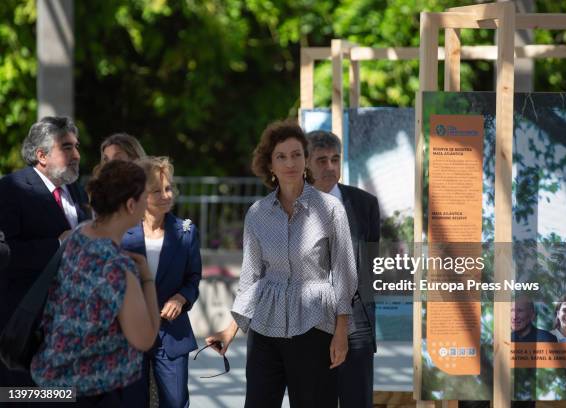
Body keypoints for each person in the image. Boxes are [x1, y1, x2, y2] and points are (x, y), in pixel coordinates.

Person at [206, 120, 358, 408]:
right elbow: (251, 278)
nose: (290, 162)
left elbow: (344, 273)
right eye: (281, 156)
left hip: (316, 324)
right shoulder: (257, 214)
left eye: (296, 154)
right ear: (270, 165)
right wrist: (230, 329)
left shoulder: (330, 209)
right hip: (266, 326)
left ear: (305, 160)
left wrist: (341, 333)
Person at [30, 160, 161, 405]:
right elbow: (145, 338)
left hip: (49, 383)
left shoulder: (78, 235)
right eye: (145, 196)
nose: (148, 203)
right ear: (131, 205)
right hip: (90, 392)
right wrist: (146, 277)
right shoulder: (119, 268)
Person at [0, 116, 91, 387]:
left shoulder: (74, 188)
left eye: (76, 146)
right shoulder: (11, 189)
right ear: (41, 155)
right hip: (24, 323)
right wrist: (56, 245)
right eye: (66, 147)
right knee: (21, 396)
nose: (76, 154)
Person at [305, 130, 380, 408]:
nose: (330, 167)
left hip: (356, 322)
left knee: (357, 400)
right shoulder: (293, 205)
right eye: (321, 160)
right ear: (306, 164)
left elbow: (370, 263)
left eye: (335, 159)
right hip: (308, 322)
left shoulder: (364, 204)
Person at [121, 157, 201, 408]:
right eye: (157, 190)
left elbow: (193, 277)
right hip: (129, 335)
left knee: (175, 402)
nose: (166, 195)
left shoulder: (186, 232)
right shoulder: (122, 232)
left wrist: (181, 298)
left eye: (168, 188)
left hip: (172, 334)